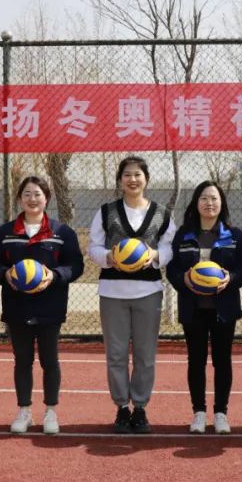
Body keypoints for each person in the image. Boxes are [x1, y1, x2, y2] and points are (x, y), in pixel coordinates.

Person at [0, 176, 84, 435]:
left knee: (50, 360)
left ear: (46, 198)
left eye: (38, 194)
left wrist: (54, 275)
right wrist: (5, 274)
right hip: (17, 305)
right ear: (20, 198)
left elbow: (76, 265)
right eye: (27, 194)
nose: (32, 199)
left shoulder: (62, 233)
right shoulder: (5, 232)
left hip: (50, 306)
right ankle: (24, 411)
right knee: (22, 360)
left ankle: (51, 411)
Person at [88, 156, 176, 434]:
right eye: (127, 174)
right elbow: (93, 247)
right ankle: (121, 408)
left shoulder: (161, 213)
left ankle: (139, 407)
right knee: (115, 354)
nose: (133, 179)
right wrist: (109, 257)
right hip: (113, 292)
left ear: (146, 179)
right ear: (120, 180)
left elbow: (170, 247)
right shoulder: (106, 212)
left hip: (148, 291)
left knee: (145, 354)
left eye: (137, 174)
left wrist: (155, 255)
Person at [165, 181, 242, 434]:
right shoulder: (183, 235)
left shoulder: (234, 235)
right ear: (196, 203)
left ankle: (221, 413)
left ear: (222, 203)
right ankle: (199, 412)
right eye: (204, 198)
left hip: (224, 308)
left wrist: (230, 279)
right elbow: (172, 269)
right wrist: (183, 280)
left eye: (214, 198)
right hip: (193, 308)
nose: (209, 203)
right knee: (196, 360)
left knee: (222, 360)